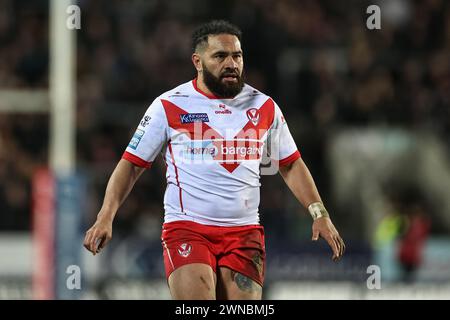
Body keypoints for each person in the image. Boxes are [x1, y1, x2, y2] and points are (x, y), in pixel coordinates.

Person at [83, 20, 345, 300]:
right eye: (220, 56)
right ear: (198, 61)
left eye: (237, 56)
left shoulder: (264, 106)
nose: (231, 63)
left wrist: (319, 214)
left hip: (244, 234)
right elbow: (131, 164)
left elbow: (291, 164)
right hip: (187, 229)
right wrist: (105, 216)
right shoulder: (169, 105)